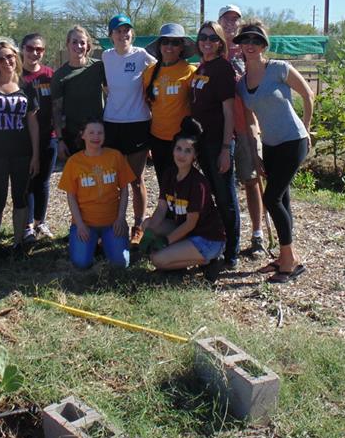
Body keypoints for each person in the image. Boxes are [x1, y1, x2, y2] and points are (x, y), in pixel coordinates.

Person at [234, 22, 314, 283]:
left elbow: (308, 94)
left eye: (256, 41)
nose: (250, 45)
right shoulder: (242, 85)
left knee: (272, 198)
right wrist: (256, 149)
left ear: (263, 46)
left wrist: (308, 129)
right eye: (245, 40)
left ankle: (289, 262)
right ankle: (285, 255)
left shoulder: (278, 69)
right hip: (269, 146)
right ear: (240, 46)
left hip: (293, 140)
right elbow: (250, 120)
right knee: (283, 200)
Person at [141, 118, 226, 271]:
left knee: (157, 259)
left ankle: (209, 260)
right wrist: (147, 234)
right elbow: (161, 209)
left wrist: (166, 241)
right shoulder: (169, 174)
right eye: (179, 148)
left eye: (188, 151)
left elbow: (190, 224)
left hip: (206, 237)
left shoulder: (198, 183)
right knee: (147, 225)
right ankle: (181, 254)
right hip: (186, 231)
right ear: (173, 150)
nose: (182, 154)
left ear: (195, 155)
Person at [191, 20, 241, 267]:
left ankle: (232, 252)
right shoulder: (202, 68)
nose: (207, 42)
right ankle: (219, 245)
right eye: (203, 37)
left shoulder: (222, 68)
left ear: (221, 43)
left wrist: (225, 149)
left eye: (212, 38)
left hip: (218, 143)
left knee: (225, 198)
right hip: (203, 144)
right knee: (213, 195)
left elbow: (229, 111)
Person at [102, 14, 155, 241]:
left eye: (127, 30)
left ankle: (139, 225)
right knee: (112, 179)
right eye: (118, 31)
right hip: (112, 124)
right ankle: (113, 223)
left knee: (136, 179)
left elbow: (162, 69)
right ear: (111, 35)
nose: (123, 35)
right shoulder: (106, 56)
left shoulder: (142, 55)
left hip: (138, 123)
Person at [219, 4, 267, 256]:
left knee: (252, 180)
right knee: (224, 185)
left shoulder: (246, 52)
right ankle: (227, 232)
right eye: (226, 20)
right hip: (221, 129)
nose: (230, 24)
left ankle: (257, 234)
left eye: (234, 20)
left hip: (246, 125)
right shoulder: (213, 50)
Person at [0, 40, 40, 253]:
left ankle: (18, 242)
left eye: (9, 57)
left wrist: (35, 155)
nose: (6, 61)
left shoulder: (26, 86)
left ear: (16, 58)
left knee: (20, 198)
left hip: (22, 153)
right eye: (1, 58)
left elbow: (33, 123)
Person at [57, 118, 135, 269]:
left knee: (121, 264)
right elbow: (71, 196)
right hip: (86, 223)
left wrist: (121, 218)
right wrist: (79, 224)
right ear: (83, 135)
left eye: (100, 133)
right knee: (81, 263)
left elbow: (125, 188)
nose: (96, 136)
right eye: (91, 132)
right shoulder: (74, 162)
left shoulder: (115, 156)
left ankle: (105, 244)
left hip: (112, 223)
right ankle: (93, 244)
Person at [143, 23, 197, 178]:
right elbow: (146, 101)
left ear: (182, 47)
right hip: (157, 137)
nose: (169, 46)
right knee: (163, 180)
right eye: (165, 41)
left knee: (182, 181)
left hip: (182, 139)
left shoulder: (190, 71)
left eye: (175, 42)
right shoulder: (150, 72)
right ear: (159, 46)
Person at [20, 32, 57, 241]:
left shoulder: (50, 75)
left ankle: (40, 222)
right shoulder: (17, 76)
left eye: (39, 49)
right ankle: (27, 226)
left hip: (48, 136)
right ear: (22, 49)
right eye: (30, 48)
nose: (35, 53)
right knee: (28, 182)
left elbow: (59, 106)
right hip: (23, 138)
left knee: (43, 181)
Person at [51, 25, 106, 160]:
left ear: (88, 45)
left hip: (99, 133)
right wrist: (60, 140)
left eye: (82, 42)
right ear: (68, 44)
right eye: (74, 42)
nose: (79, 46)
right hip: (74, 135)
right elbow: (56, 110)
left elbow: (112, 92)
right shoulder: (60, 75)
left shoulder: (99, 67)